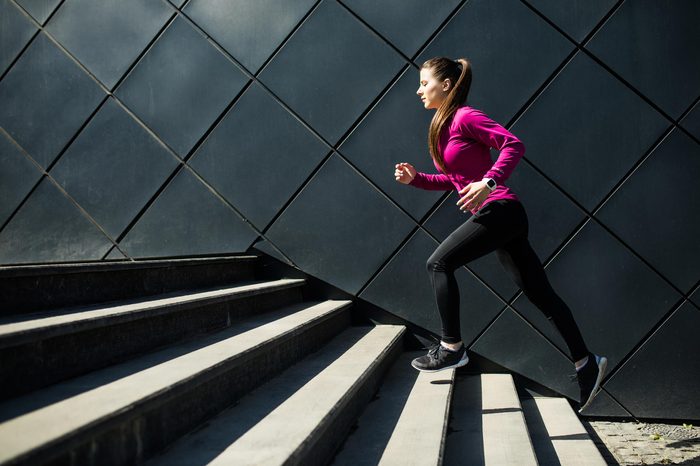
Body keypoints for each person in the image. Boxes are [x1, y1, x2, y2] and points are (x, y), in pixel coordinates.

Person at [394, 56, 607, 413]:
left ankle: (451, 348)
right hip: (500, 216)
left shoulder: (466, 116)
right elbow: (455, 180)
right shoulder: (442, 125)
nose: (418, 90)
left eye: (424, 83)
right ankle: (586, 364)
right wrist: (416, 179)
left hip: (502, 209)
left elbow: (513, 145)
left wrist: (489, 181)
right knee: (541, 295)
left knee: (438, 263)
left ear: (446, 85)